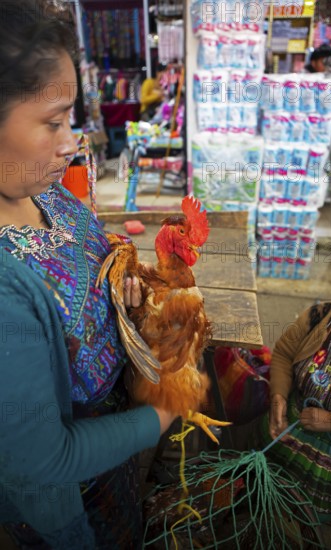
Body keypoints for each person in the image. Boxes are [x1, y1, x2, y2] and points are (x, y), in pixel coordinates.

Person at [0, 1, 176, 548]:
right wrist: (163, 414)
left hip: (116, 456)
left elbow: (92, 261)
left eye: (69, 120)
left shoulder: (49, 193)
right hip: (68, 497)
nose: (70, 141)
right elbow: (45, 457)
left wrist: (119, 288)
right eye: (52, 123)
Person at [262, 258, 331, 531]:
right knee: (264, 471)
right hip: (295, 419)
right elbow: (284, 354)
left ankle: (327, 514)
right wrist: (279, 398)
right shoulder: (318, 316)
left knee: (319, 497)